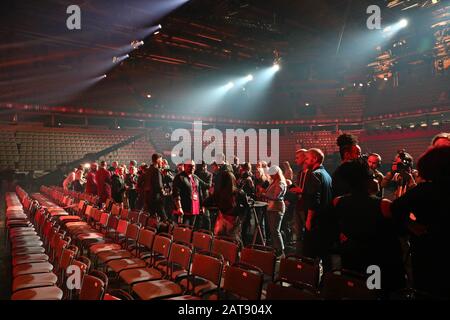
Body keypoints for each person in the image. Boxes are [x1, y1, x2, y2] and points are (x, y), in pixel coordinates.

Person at [332, 159, 405, 296]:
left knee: (355, 291)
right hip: (376, 261)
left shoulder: (338, 202)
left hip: (351, 258)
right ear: (366, 181)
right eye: (372, 176)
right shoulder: (383, 205)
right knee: (374, 292)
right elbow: (400, 231)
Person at [390, 146, 450, 298]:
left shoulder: (423, 190)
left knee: (426, 288)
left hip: (426, 247)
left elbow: (395, 208)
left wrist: (410, 226)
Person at [302, 148, 333, 261]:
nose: (305, 161)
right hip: (325, 220)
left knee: (309, 256)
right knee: (324, 256)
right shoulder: (327, 175)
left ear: (314, 159)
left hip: (316, 221)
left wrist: (309, 220)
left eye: (307, 158)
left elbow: (314, 199)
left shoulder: (314, 174)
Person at [205, 170, 249, 244]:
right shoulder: (239, 192)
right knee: (232, 243)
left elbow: (206, 203)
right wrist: (241, 218)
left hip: (225, 219)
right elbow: (246, 207)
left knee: (222, 241)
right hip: (231, 220)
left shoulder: (221, 192)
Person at [172, 160, 205, 227]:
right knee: (183, 230)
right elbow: (176, 193)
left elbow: (199, 192)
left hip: (195, 209)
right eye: (190, 166)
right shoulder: (179, 177)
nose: (192, 168)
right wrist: (179, 207)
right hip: (184, 209)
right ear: (185, 166)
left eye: (193, 166)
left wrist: (202, 206)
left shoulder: (195, 177)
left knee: (191, 229)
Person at [264, 165, 288, 257]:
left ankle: (280, 250)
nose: (270, 176)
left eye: (272, 175)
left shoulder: (281, 183)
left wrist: (264, 195)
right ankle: (276, 249)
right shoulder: (275, 182)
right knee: (273, 230)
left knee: (276, 230)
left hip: (277, 207)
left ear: (277, 174)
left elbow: (275, 196)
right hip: (272, 207)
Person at [143, 153, 166, 220]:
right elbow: (159, 186)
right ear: (158, 160)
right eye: (161, 160)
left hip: (148, 197)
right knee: (164, 218)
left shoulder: (148, 170)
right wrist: (164, 193)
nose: (162, 162)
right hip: (156, 198)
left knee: (151, 218)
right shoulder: (156, 170)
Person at [195, 161, 213, 230]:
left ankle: (207, 232)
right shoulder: (195, 173)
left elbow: (208, 186)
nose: (204, 168)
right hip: (196, 196)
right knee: (197, 216)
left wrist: (198, 180)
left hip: (204, 197)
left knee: (206, 216)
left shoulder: (209, 174)